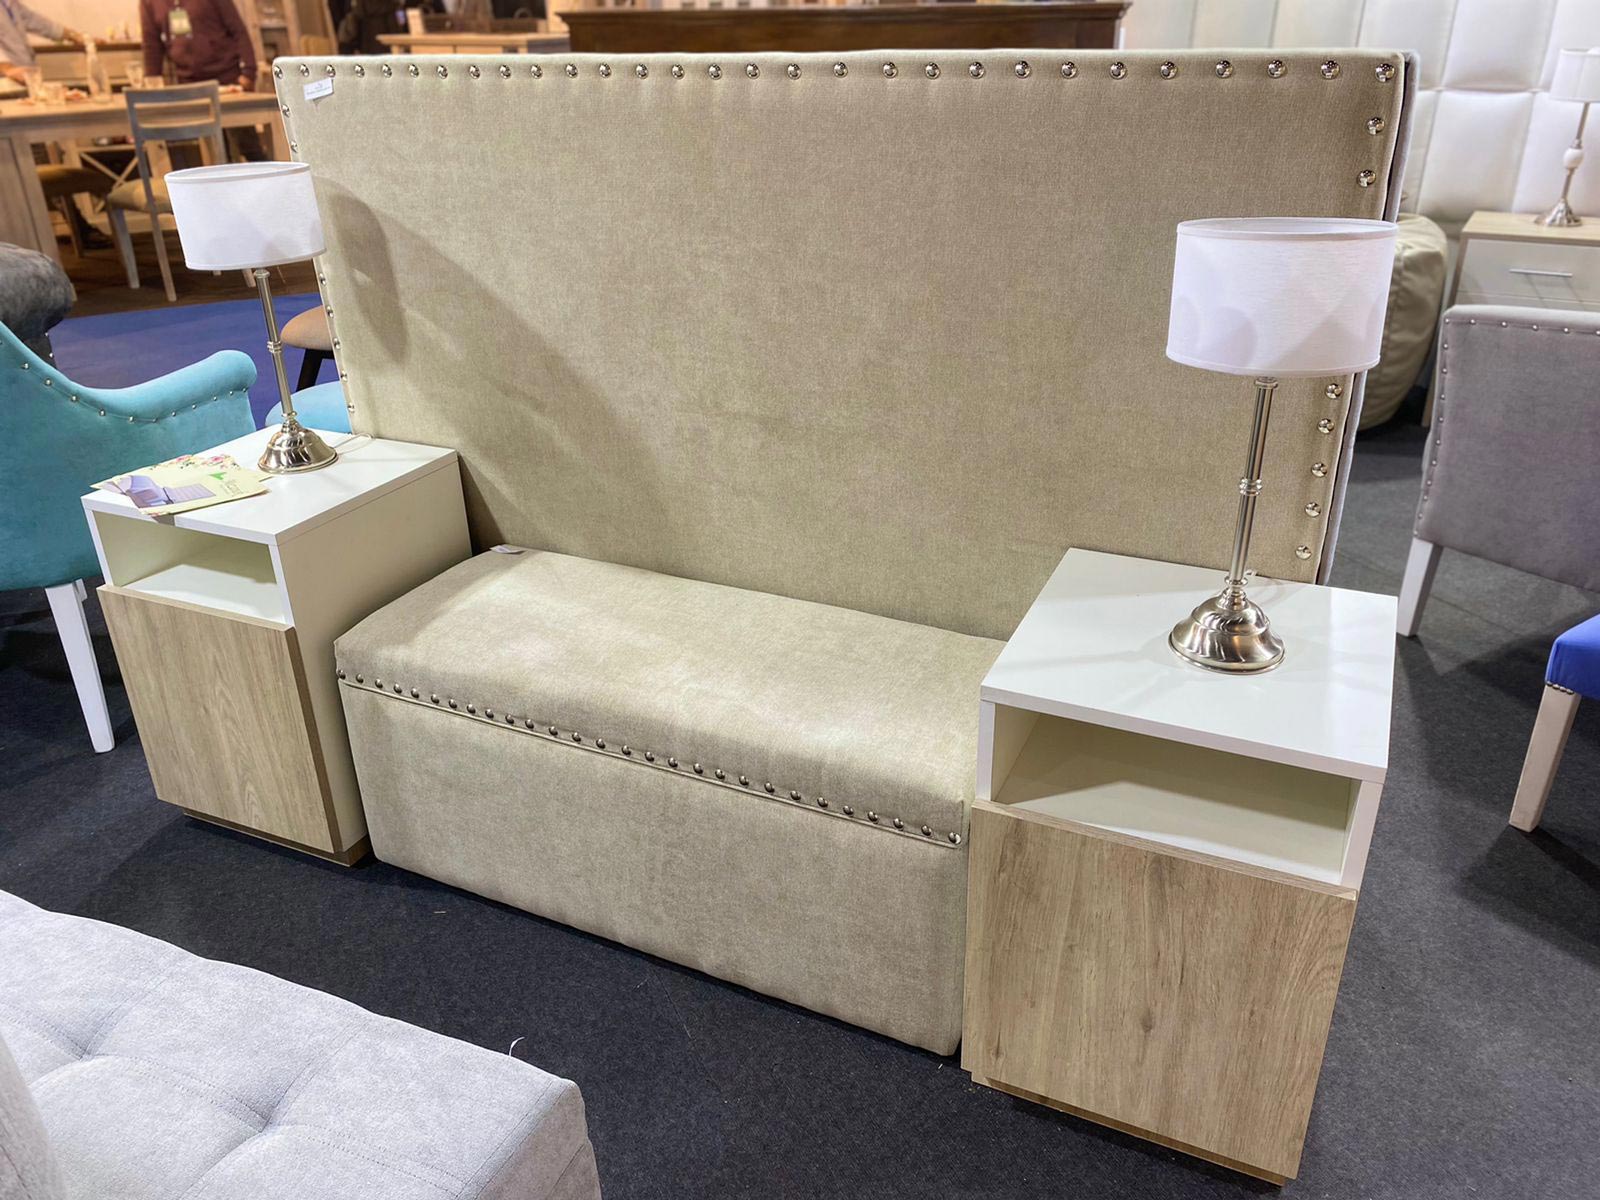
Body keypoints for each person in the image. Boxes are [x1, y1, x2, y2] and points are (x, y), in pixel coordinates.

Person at [138, 0, 264, 160]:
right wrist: (151, 86)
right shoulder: (149, 3)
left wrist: (249, 72)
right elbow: (151, 46)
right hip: (190, 86)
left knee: (248, 146)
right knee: (207, 153)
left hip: (228, 80)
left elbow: (238, 30)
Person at [0, 0, 84, 84]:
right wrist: (6, 69)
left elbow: (34, 20)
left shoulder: (9, 3)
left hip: (25, 73)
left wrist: (73, 35)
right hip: (7, 78)